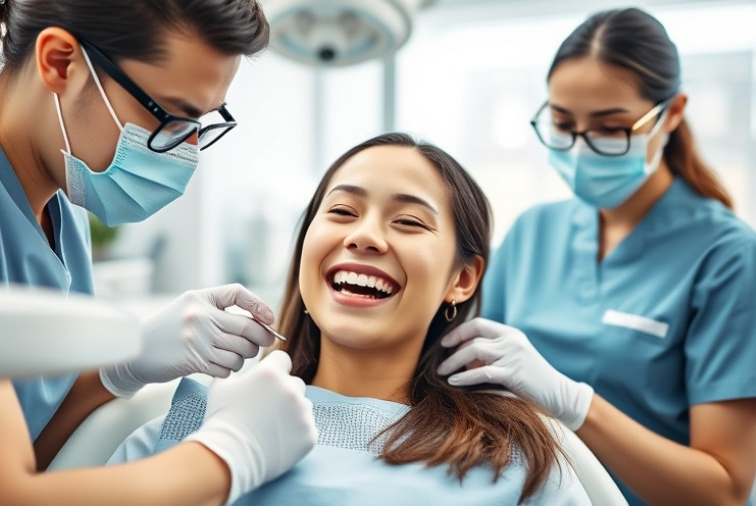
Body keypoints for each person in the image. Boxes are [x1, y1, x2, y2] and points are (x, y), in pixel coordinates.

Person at [0, 0, 317, 504]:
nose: (184, 151)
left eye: (200, 126)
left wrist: (116, 370)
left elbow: (21, 453)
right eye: (170, 117)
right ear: (61, 62)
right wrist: (231, 454)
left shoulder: (63, 202)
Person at [109, 132, 591, 505]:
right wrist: (118, 370)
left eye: (408, 222)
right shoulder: (192, 426)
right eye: (341, 211)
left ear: (462, 279)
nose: (364, 236)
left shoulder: (513, 459)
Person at [436, 7, 756, 505]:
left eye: (609, 128)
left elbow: (722, 491)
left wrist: (575, 405)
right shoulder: (534, 232)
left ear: (673, 113)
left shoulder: (731, 258)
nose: (580, 148)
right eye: (561, 123)